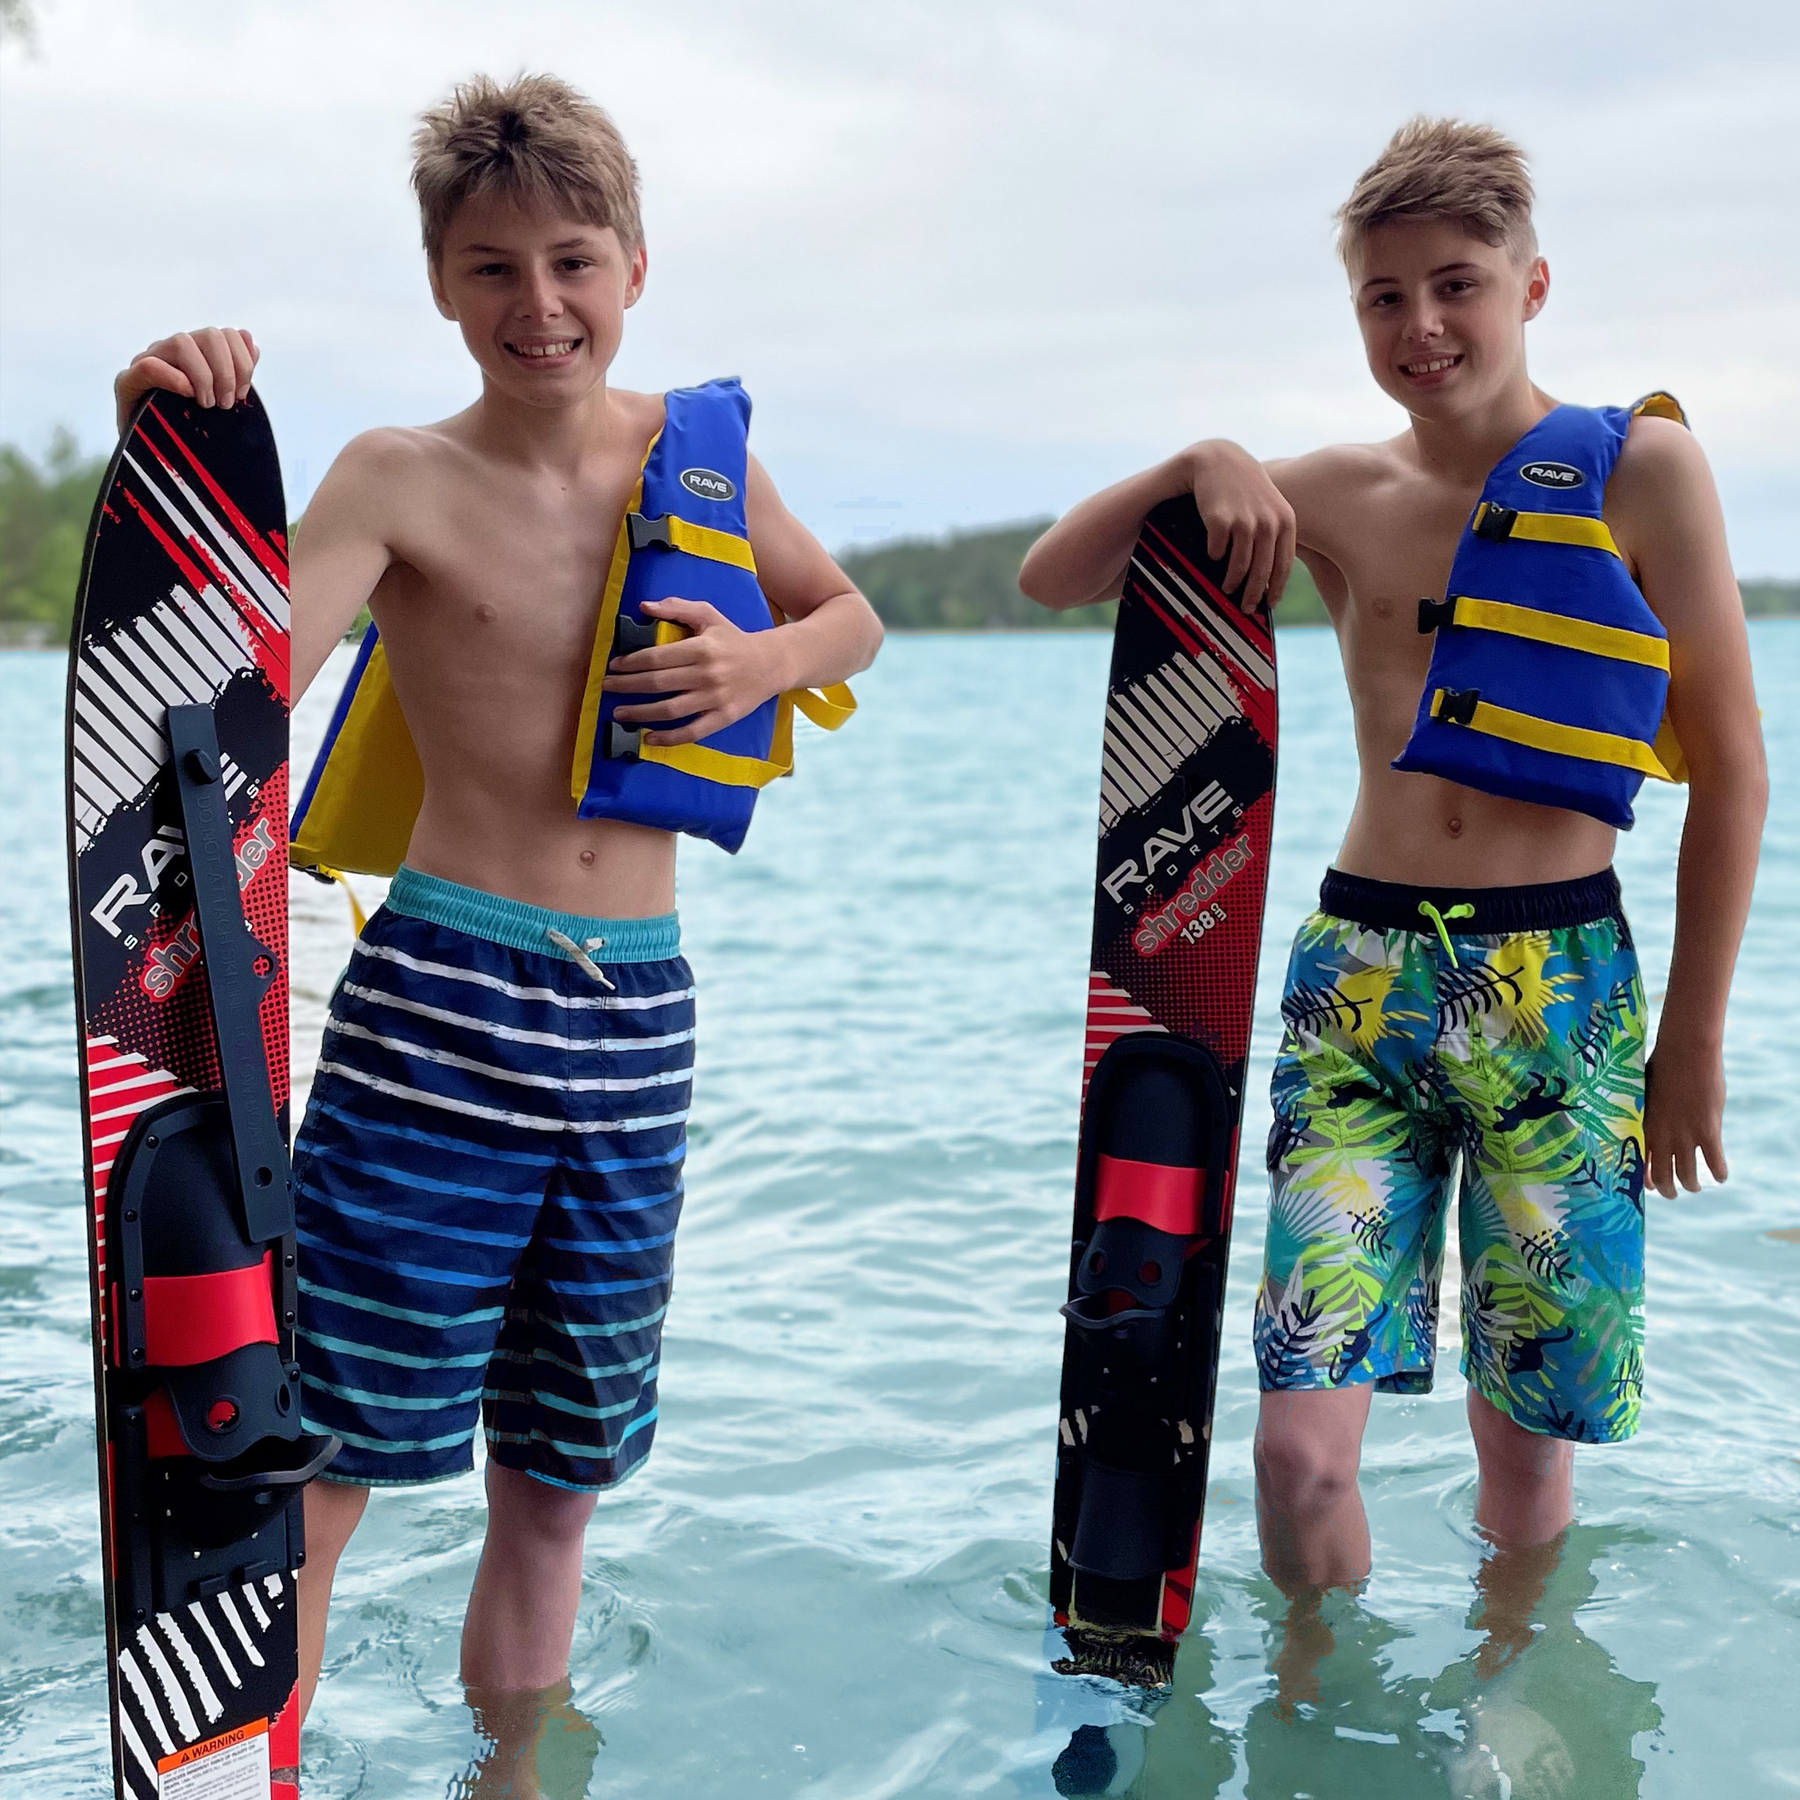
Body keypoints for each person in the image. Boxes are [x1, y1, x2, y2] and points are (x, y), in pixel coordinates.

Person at [113, 72, 883, 1727]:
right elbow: (232, 684)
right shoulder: (399, 478)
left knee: (559, 1483)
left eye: (573, 262)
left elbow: (851, 619)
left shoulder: (702, 454)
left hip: (642, 1013)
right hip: (442, 1007)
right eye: (491, 268)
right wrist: (160, 443)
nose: (538, 304)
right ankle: (264, 1766)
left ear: (635, 268)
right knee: (323, 1468)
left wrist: (768, 653)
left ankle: (515, 1780)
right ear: (441, 283)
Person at [1018, 118, 1764, 1595]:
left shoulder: (1647, 472)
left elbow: (1735, 766)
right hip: (1358, 983)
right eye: (1384, 296)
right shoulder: (1341, 498)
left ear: (1532, 287)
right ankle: (1312, 1710)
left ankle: (1510, 1700)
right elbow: (1059, 579)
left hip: (1564, 989)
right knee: (1297, 1452)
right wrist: (1197, 459)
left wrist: (1694, 1042)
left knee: (1526, 1447)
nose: (1422, 327)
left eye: (1458, 286)